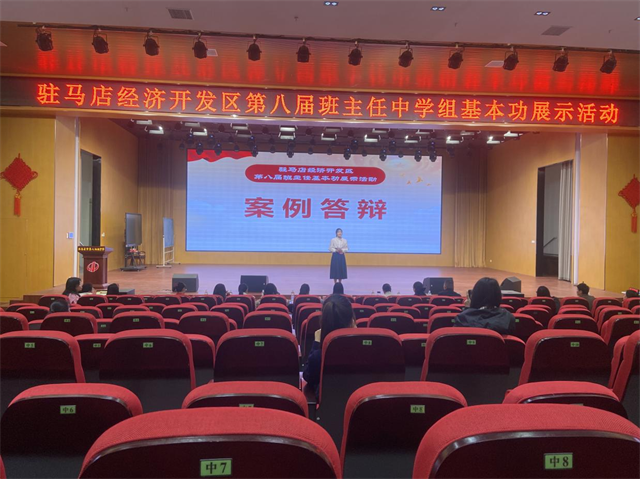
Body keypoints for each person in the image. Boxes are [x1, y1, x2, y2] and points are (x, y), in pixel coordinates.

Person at [303, 294, 356, 397]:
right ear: (352, 320)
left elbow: (308, 376)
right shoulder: (365, 352)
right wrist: (357, 336)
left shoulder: (319, 356)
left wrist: (316, 344)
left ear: (324, 321)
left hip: (328, 406)